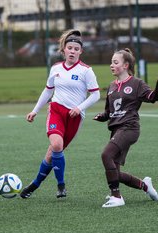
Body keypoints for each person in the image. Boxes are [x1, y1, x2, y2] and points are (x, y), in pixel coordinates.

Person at [20, 29, 100, 199]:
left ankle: (34, 185)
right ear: (64, 49)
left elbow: (96, 95)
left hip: (74, 116)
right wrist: (35, 110)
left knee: (52, 153)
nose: (72, 51)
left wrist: (80, 108)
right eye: (69, 48)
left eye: (76, 49)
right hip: (56, 110)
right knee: (56, 145)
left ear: (81, 52)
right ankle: (61, 185)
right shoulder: (56, 68)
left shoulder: (86, 71)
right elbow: (48, 90)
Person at [94, 48, 158, 208]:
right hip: (116, 130)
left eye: (115, 62)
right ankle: (145, 186)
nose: (111, 65)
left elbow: (153, 97)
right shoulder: (112, 86)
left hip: (129, 128)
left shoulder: (137, 83)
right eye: (111, 62)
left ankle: (117, 197)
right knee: (116, 172)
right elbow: (109, 112)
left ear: (126, 65)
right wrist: (102, 116)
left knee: (106, 155)